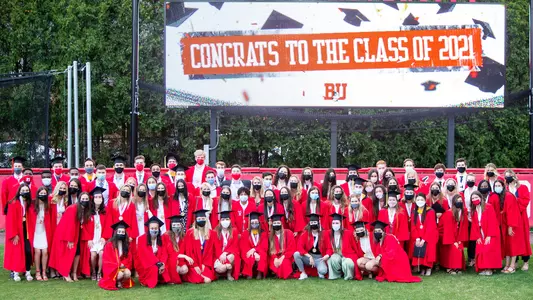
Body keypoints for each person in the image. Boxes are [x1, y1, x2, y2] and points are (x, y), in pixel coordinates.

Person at [48, 191, 91, 282]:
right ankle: (65, 273)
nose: (85, 200)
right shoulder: (73, 208)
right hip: (67, 234)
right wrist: (70, 239)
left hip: (78, 233)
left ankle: (74, 273)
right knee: (68, 253)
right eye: (83, 199)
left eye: (86, 199)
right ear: (79, 199)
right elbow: (70, 225)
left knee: (77, 253)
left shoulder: (85, 209)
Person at [495, 179, 527, 274]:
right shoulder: (501, 196)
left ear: (503, 186)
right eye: (495, 186)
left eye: (498, 185)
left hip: (512, 224)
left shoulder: (508, 196)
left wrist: (510, 226)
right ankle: (507, 264)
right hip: (505, 224)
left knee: (513, 245)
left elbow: (511, 212)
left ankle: (512, 266)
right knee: (507, 245)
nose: (497, 187)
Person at [4, 184, 34, 281]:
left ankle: (28, 272)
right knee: (17, 252)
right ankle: (15, 272)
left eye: (27, 190)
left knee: (28, 251)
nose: (25, 192)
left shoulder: (29, 203)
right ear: (19, 191)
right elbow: (10, 220)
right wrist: (14, 234)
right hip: (17, 231)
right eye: (23, 190)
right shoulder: (13, 203)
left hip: (27, 231)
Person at [505, 169, 532, 271]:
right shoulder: (505, 189)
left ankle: (526, 261)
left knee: (523, 238)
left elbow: (525, 201)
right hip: (510, 217)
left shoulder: (522, 187)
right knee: (512, 239)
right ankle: (514, 262)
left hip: (521, 217)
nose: (508, 177)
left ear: (514, 176)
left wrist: (514, 202)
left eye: (510, 175)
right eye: (506, 176)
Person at [470, 191, 502, 275]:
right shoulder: (474, 210)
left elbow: (493, 221)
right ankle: (484, 268)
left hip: (490, 233)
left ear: (480, 198)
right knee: (480, 249)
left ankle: (489, 269)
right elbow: (474, 225)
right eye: (472, 198)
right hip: (480, 233)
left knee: (488, 249)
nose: (474, 199)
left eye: (476, 197)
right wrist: (477, 237)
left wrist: (489, 235)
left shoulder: (488, 207)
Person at [98, 220, 134, 290]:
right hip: (113, 268)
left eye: (123, 232)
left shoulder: (126, 245)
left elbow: (128, 258)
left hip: (123, 266)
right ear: (116, 232)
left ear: (125, 233)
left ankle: (121, 282)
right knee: (120, 274)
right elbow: (107, 259)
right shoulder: (109, 245)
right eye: (119, 232)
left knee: (128, 273)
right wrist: (118, 264)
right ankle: (117, 282)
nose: (121, 234)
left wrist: (124, 264)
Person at [183, 209, 216, 284]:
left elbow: (210, 251)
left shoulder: (211, 233)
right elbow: (189, 251)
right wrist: (195, 265)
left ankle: (202, 275)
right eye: (199, 219)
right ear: (196, 220)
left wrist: (205, 265)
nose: (201, 220)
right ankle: (199, 275)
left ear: (206, 219)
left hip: (205, 263)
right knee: (198, 278)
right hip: (193, 264)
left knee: (208, 280)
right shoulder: (190, 233)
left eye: (203, 219)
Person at [136, 216, 170, 288]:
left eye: (156, 228)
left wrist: (162, 263)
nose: (154, 230)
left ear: (158, 229)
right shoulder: (141, 239)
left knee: (165, 266)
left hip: (158, 262)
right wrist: (157, 263)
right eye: (152, 228)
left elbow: (164, 253)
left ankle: (159, 279)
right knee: (154, 268)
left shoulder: (161, 239)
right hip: (145, 264)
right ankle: (146, 281)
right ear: (148, 229)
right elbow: (144, 254)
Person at [409, 193, 438, 276]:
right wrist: (417, 238)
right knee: (418, 247)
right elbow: (413, 226)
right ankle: (421, 267)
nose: (420, 201)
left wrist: (424, 239)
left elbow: (431, 226)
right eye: (418, 200)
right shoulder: (414, 211)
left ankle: (428, 267)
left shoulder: (430, 211)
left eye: (422, 200)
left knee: (428, 248)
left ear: (425, 201)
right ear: (415, 201)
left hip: (429, 235)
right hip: (418, 234)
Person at [440, 194, 469, 274]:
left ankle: (457, 267)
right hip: (448, 236)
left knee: (460, 247)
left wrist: (460, 240)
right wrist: (454, 241)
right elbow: (449, 229)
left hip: (458, 236)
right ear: (453, 202)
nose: (459, 202)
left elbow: (463, 227)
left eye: (460, 201)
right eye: (457, 201)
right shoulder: (449, 213)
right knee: (453, 248)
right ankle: (450, 267)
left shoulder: (463, 212)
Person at [27, 187, 52, 281]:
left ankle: (44, 271)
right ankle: (37, 272)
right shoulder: (32, 205)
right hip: (35, 232)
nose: (43, 195)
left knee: (45, 252)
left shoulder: (47, 206)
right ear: (37, 194)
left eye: (44, 193)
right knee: (37, 252)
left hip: (44, 232)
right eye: (41, 193)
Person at [294, 214, 328, 279]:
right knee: (296, 254)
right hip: (309, 257)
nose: (313, 224)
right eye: (311, 222)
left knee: (323, 271)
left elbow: (329, 247)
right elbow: (299, 247)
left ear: (318, 223)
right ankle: (303, 273)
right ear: (309, 224)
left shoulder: (324, 234)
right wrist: (309, 256)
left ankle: (319, 271)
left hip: (320, 258)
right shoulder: (305, 234)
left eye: (315, 222)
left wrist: (327, 255)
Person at [162, 215, 193, 285]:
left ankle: (177, 275)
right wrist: (185, 256)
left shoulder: (184, 237)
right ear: (171, 226)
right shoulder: (166, 236)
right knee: (176, 266)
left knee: (185, 269)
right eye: (174, 225)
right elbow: (170, 253)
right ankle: (172, 277)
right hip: (170, 260)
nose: (176, 226)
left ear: (181, 226)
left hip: (180, 260)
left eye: (178, 224)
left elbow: (187, 250)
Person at [240, 212, 269, 279]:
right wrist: (252, 252)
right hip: (249, 252)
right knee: (249, 256)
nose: (254, 224)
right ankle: (249, 273)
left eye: (256, 222)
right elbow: (243, 247)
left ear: (259, 223)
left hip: (260, 252)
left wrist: (254, 250)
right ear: (249, 223)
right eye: (252, 223)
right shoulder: (245, 233)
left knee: (262, 255)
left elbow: (264, 246)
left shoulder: (263, 233)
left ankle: (259, 272)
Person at [213, 211, 240, 281]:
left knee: (232, 256)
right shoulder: (215, 232)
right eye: (223, 219)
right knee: (221, 268)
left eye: (227, 219)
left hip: (229, 254)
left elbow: (235, 246)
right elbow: (215, 247)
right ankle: (220, 272)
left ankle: (229, 274)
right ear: (220, 221)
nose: (225, 221)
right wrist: (220, 255)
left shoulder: (234, 231)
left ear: (230, 220)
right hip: (218, 255)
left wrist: (225, 253)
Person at [268, 213, 296, 279]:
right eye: (275, 223)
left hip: (286, 256)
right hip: (275, 256)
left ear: (281, 223)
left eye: (278, 223)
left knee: (284, 263)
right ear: (272, 225)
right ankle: (277, 273)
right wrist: (275, 258)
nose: (276, 225)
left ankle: (282, 274)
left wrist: (282, 257)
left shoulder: (288, 233)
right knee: (275, 264)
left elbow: (291, 247)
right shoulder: (270, 236)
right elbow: (270, 249)